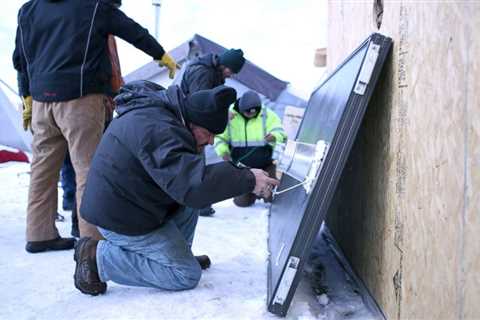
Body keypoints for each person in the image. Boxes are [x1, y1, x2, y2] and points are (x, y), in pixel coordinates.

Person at [73, 81, 278, 295]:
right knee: (185, 275)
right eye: (208, 133)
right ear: (193, 122)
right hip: (120, 218)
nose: (210, 141)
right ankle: (98, 257)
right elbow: (192, 184)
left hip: (136, 205)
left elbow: (188, 182)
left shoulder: (166, 119)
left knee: (188, 205)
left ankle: (176, 257)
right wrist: (247, 179)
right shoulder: (156, 127)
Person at [13, 0, 177, 253]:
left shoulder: (28, 9)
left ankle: (39, 235)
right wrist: (161, 54)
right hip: (80, 99)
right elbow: (132, 30)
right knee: (87, 170)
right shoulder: (93, 6)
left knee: (42, 171)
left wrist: (26, 96)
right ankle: (91, 243)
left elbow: (21, 59)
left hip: (41, 103)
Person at [180, 48, 246, 216]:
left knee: (196, 164)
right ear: (225, 65)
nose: (231, 75)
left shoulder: (214, 73)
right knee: (195, 165)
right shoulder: (203, 73)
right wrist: (223, 114)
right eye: (232, 71)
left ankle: (200, 204)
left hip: (193, 125)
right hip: (190, 126)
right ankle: (198, 204)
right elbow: (198, 104)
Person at [214, 90, 287, 207]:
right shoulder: (230, 116)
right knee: (242, 203)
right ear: (241, 109)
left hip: (265, 165)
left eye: (254, 113)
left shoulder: (267, 114)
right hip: (242, 169)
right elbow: (218, 138)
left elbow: (280, 131)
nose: (251, 115)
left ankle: (262, 193)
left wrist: (274, 136)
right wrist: (223, 151)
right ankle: (252, 192)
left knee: (272, 198)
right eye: (248, 113)